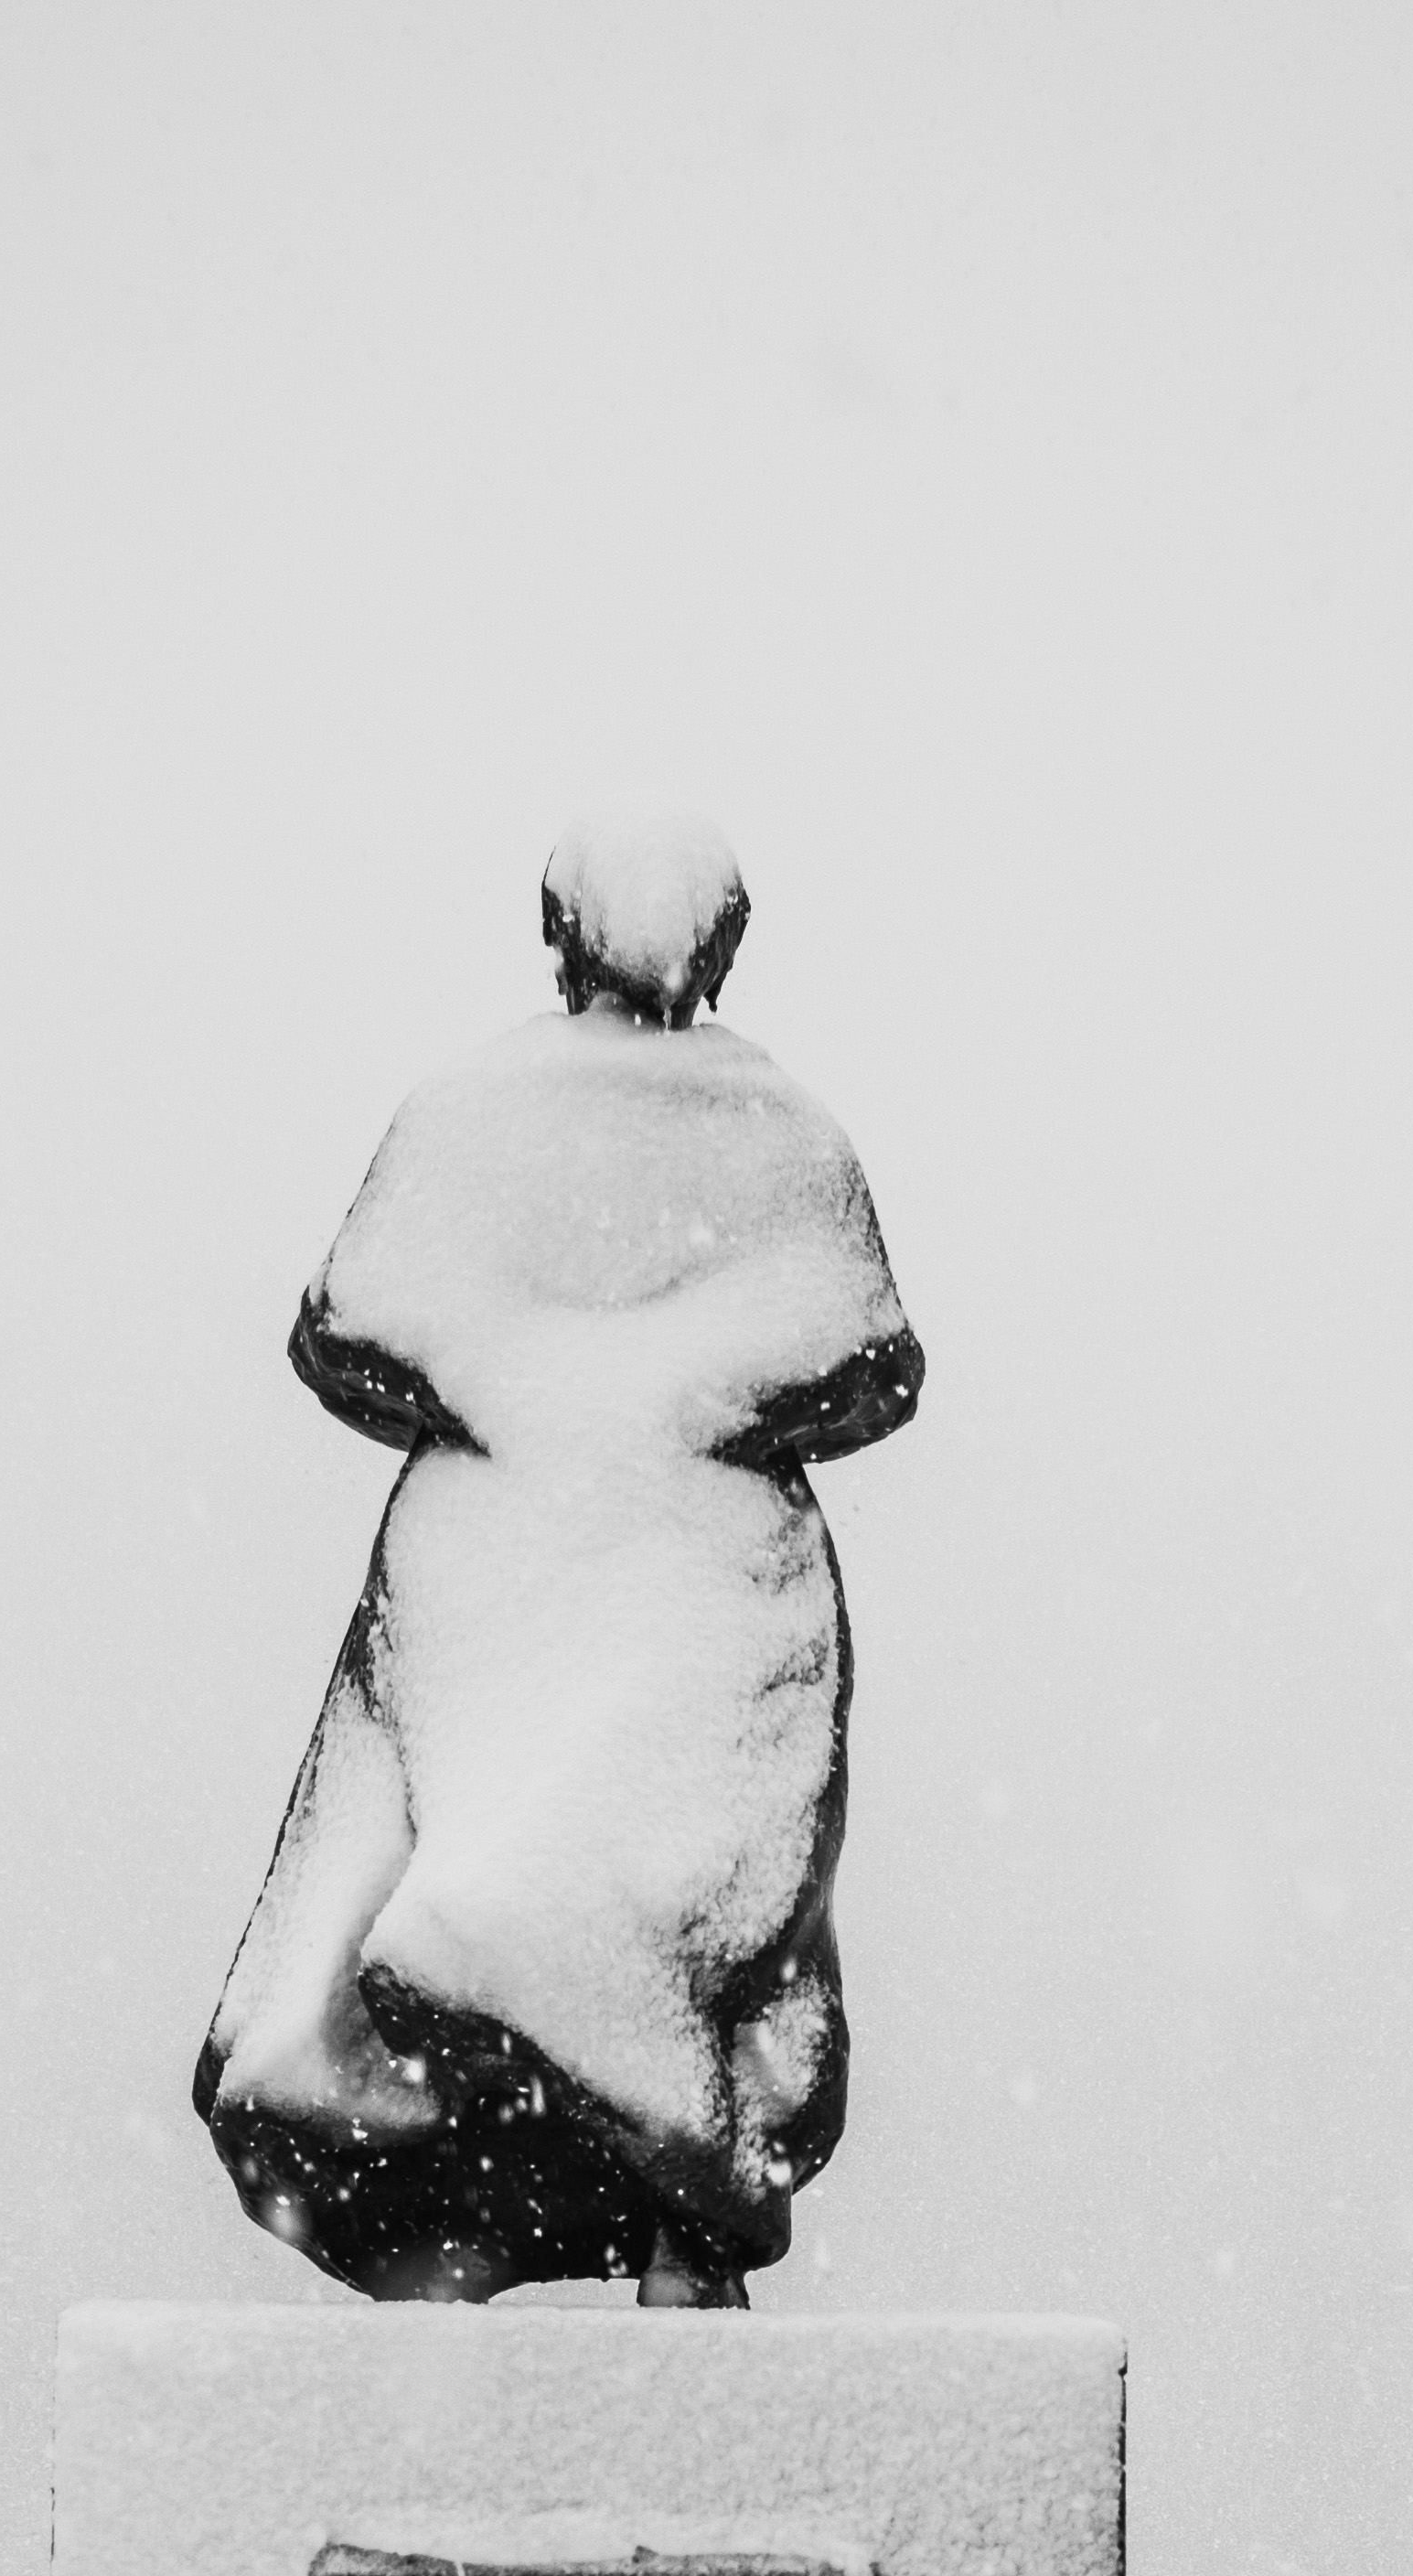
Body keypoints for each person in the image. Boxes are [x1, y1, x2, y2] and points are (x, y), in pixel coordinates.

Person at [195, 810, 928, 2302]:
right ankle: (654, 2187)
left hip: (541, 1557)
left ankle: (567, 2183)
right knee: (658, 1898)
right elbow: (865, 1365)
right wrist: (667, 1402)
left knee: (626, 1888)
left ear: (559, 932)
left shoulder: (488, 1112)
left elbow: (353, 1337)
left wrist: (533, 1394)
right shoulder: (779, 1130)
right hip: (681, 1570)